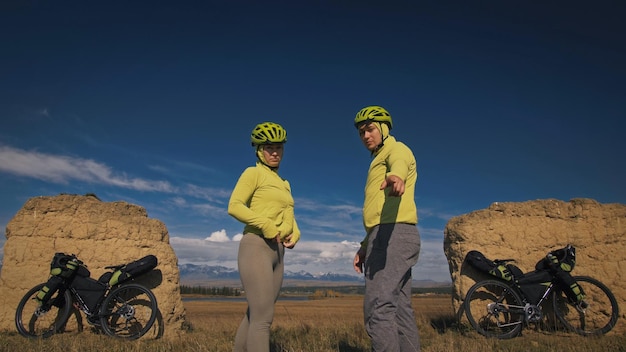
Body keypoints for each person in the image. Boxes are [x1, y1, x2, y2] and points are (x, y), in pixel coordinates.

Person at [351, 106, 421, 351]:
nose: (365, 136)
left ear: (383, 128)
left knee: (377, 309)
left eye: (370, 129)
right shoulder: (376, 159)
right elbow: (379, 213)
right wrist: (364, 246)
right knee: (400, 309)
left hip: (393, 236)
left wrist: (396, 176)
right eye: (361, 133)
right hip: (389, 234)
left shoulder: (396, 149)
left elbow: (399, 163)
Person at [228, 121, 300, 352]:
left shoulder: (284, 183)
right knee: (264, 318)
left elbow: (288, 212)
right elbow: (235, 206)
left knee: (255, 313)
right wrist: (266, 225)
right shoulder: (253, 173)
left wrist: (295, 231)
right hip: (256, 245)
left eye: (278, 147)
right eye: (269, 147)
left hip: (278, 252)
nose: (274, 152)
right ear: (259, 150)